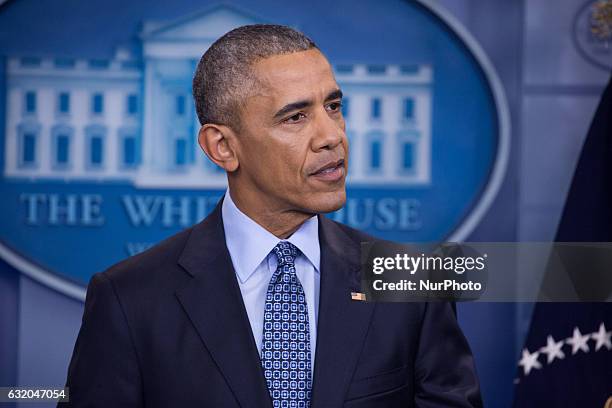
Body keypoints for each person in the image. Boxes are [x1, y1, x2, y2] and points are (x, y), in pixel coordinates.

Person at [61, 24, 482, 407]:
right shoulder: (129, 299)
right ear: (222, 147)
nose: (332, 136)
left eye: (333, 107)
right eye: (296, 116)